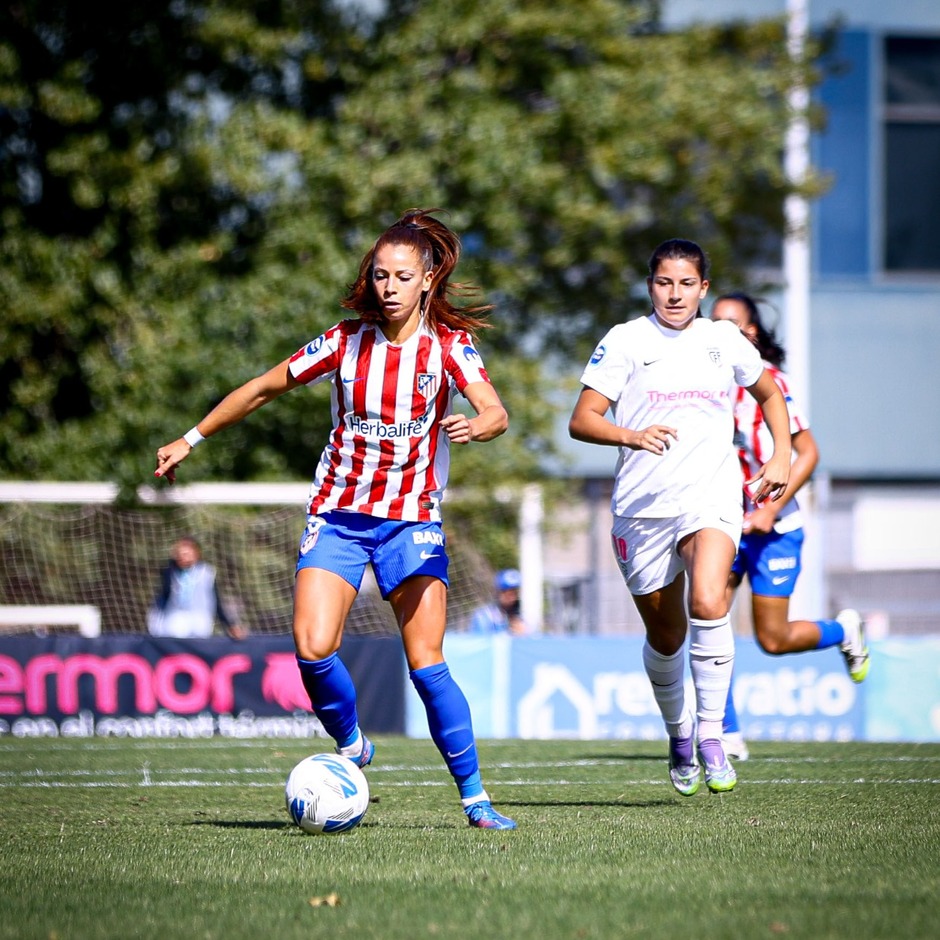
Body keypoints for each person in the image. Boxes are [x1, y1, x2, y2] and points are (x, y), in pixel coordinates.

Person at [154, 208, 516, 829]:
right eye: (380, 275)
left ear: (428, 278)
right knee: (312, 646)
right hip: (340, 514)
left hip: (411, 519)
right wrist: (192, 437)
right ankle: (352, 745)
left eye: (403, 276)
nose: (390, 287)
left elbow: (494, 409)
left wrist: (479, 425)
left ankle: (476, 799)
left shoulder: (450, 347)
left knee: (427, 663)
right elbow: (265, 387)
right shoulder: (344, 342)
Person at [568, 238, 792, 797]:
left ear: (703, 289)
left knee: (710, 601)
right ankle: (680, 734)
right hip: (642, 511)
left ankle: (714, 737)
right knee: (666, 637)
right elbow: (582, 419)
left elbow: (769, 393)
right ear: (651, 286)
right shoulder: (626, 341)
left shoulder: (723, 340)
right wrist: (632, 435)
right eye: (664, 283)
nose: (674, 293)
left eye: (686, 283)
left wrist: (781, 453)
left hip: (710, 497)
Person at [710, 291, 870, 761]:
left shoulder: (770, 382)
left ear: (751, 332)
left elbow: (809, 454)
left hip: (774, 528)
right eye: (713, 322)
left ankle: (844, 631)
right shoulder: (700, 382)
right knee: (709, 617)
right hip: (720, 523)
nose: (719, 331)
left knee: (773, 640)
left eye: (730, 323)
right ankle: (724, 732)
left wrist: (769, 510)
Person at [147, 536, 246, 639]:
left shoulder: (207, 573)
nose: (183, 557)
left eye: (187, 553)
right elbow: (163, 596)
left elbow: (217, 603)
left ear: (196, 554)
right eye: (180, 554)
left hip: (200, 622)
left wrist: (230, 625)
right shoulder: (170, 572)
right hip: (175, 621)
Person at [467, 568, 529, 635]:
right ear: (498, 592)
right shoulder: (484, 616)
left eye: (515, 592)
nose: (513, 598)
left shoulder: (521, 616)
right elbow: (479, 641)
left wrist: (523, 634)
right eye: (508, 593)